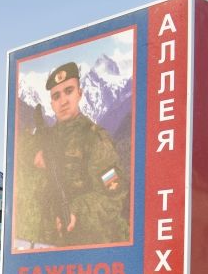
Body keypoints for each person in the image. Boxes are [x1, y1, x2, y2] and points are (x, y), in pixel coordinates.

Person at [19, 61, 129, 247]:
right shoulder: (46, 138)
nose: (63, 101)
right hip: (46, 243)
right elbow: (22, 149)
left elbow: (114, 194)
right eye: (56, 96)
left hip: (86, 246)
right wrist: (33, 155)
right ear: (52, 104)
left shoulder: (95, 140)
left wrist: (77, 211)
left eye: (69, 91)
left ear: (80, 93)